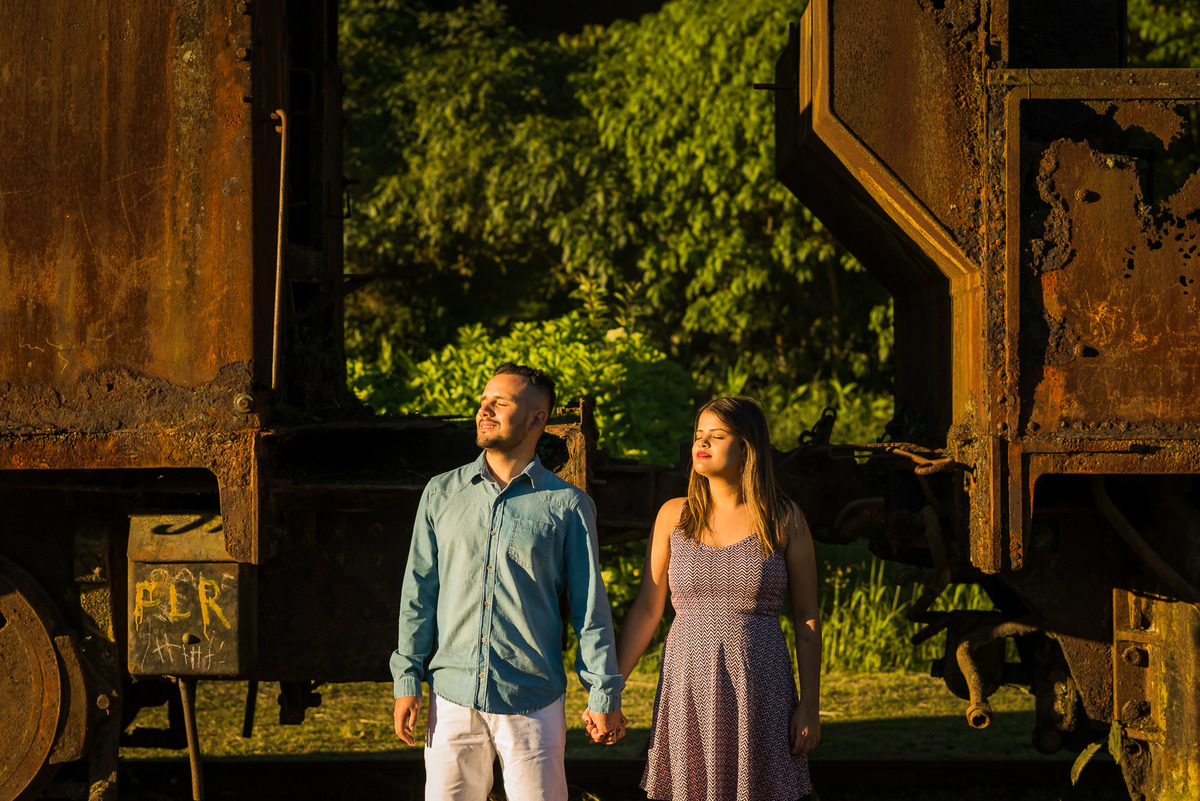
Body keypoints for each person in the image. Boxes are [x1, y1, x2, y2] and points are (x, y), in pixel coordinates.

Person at [390, 362, 626, 801]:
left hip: (532, 700)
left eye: (500, 403)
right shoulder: (441, 493)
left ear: (537, 418)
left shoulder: (568, 506)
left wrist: (602, 691)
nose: (485, 410)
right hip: (452, 699)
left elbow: (588, 608)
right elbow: (418, 595)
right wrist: (407, 678)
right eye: (484, 401)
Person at [601, 396, 820, 801]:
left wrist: (810, 704)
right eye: (698, 435)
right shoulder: (673, 515)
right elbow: (649, 609)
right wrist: (609, 690)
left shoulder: (784, 517)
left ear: (747, 448)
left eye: (716, 436)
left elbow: (807, 616)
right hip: (688, 686)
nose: (701, 444)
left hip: (759, 686)